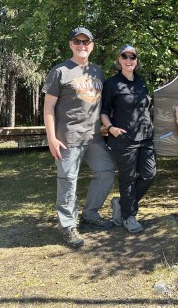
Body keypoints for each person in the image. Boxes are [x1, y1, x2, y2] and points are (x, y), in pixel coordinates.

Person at [43, 27, 115, 248]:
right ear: (70, 44)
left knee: (106, 172)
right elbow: (48, 108)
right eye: (77, 41)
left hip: (93, 137)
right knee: (68, 181)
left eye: (86, 42)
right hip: (68, 137)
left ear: (92, 45)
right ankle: (67, 226)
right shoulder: (60, 71)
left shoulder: (97, 72)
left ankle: (90, 215)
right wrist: (51, 138)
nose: (81, 45)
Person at [101, 44, 156, 233]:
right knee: (128, 178)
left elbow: (146, 108)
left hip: (146, 136)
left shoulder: (141, 82)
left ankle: (122, 203)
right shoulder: (112, 84)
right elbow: (104, 111)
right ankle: (128, 217)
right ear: (119, 60)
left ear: (136, 61)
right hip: (124, 139)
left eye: (132, 57)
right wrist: (110, 128)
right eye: (125, 56)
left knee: (149, 175)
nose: (128, 60)